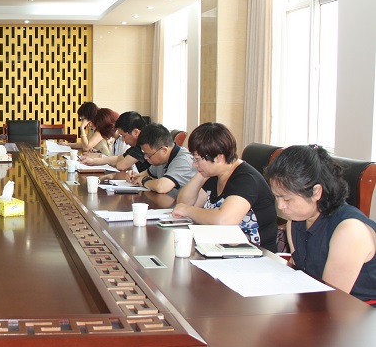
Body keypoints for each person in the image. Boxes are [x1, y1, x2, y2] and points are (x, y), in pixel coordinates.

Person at [266, 145, 376, 302]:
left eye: (287, 199)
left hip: (360, 311)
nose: (281, 206)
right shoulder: (295, 222)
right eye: (277, 197)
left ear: (316, 192)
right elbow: (298, 275)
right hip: (317, 305)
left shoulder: (349, 231)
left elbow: (331, 301)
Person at [172, 122, 277, 252]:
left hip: (255, 254)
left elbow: (225, 220)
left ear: (218, 158)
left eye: (197, 159)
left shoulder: (246, 179)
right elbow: (184, 203)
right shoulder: (216, 174)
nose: (194, 164)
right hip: (221, 248)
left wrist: (187, 210)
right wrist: (201, 174)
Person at [128, 123, 195, 198]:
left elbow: (161, 187)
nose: (145, 157)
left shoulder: (184, 160)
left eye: (148, 155)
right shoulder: (161, 160)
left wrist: (144, 181)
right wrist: (134, 176)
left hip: (179, 204)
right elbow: (146, 174)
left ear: (164, 150)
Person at [80, 111, 149, 172]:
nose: (123, 139)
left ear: (136, 132)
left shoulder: (144, 144)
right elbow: (118, 158)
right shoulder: (136, 146)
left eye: (124, 136)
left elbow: (121, 165)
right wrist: (93, 161)